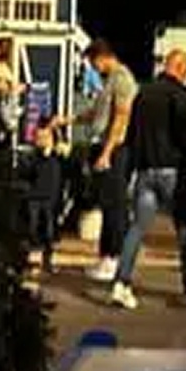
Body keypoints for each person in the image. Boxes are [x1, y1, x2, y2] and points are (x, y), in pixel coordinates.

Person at [109, 48, 186, 310]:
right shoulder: (179, 96)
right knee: (185, 227)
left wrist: (131, 168)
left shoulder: (143, 94)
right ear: (180, 68)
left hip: (145, 169)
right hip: (173, 171)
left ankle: (122, 282)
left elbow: (131, 135)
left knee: (137, 228)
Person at [69, 38, 137, 284]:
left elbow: (121, 117)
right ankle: (106, 255)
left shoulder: (121, 79)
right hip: (105, 145)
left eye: (92, 61)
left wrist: (107, 152)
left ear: (101, 57)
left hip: (116, 149)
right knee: (107, 203)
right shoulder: (109, 81)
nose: (92, 67)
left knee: (115, 204)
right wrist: (69, 120)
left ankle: (114, 257)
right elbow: (97, 114)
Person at [24, 118, 63, 273]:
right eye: (38, 137)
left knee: (49, 231)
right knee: (31, 228)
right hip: (34, 197)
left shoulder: (57, 157)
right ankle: (28, 259)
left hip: (50, 198)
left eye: (45, 137)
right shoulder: (33, 157)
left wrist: (56, 132)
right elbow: (27, 173)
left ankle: (47, 261)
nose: (41, 141)